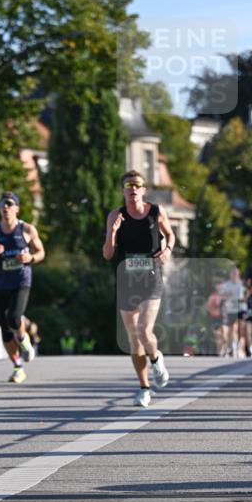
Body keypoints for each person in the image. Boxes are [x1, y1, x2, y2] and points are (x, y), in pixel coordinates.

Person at [103, 170, 174, 407]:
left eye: (137, 185)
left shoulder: (155, 212)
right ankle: (144, 388)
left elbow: (170, 235)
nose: (133, 189)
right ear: (123, 191)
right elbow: (107, 254)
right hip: (126, 280)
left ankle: (156, 358)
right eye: (128, 186)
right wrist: (112, 233)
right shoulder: (116, 215)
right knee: (134, 340)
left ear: (143, 190)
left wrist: (167, 250)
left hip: (151, 279)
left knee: (144, 330)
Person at [0, 192, 45, 383]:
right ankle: (18, 367)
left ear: (17, 208)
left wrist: (30, 258)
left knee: (14, 317)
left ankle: (24, 339)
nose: (5, 207)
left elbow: (41, 252)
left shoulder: (26, 229)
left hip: (21, 281)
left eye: (9, 204)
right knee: (5, 331)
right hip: (0, 283)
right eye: (2, 204)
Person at [219, 265, 247, 358]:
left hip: (240, 309)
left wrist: (244, 299)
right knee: (229, 330)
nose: (234, 275)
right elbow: (222, 297)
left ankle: (237, 349)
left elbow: (246, 296)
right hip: (229, 309)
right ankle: (230, 347)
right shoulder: (226, 285)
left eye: (236, 273)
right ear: (230, 274)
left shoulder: (242, 284)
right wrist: (228, 296)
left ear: (239, 274)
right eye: (233, 273)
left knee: (238, 329)